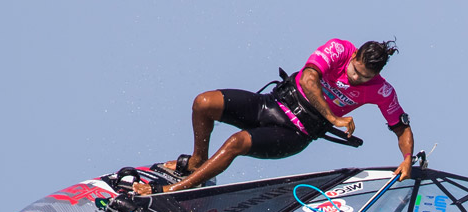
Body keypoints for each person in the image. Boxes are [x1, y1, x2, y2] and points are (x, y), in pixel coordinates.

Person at [133, 38, 414, 195]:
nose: (357, 79)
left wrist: (406, 159)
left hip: (295, 133)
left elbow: (401, 127)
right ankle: (197, 162)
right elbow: (308, 80)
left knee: (236, 143)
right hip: (272, 104)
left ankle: (174, 190)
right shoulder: (339, 49)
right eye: (356, 71)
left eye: (365, 78)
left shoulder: (382, 91)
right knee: (203, 103)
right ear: (355, 57)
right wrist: (335, 117)